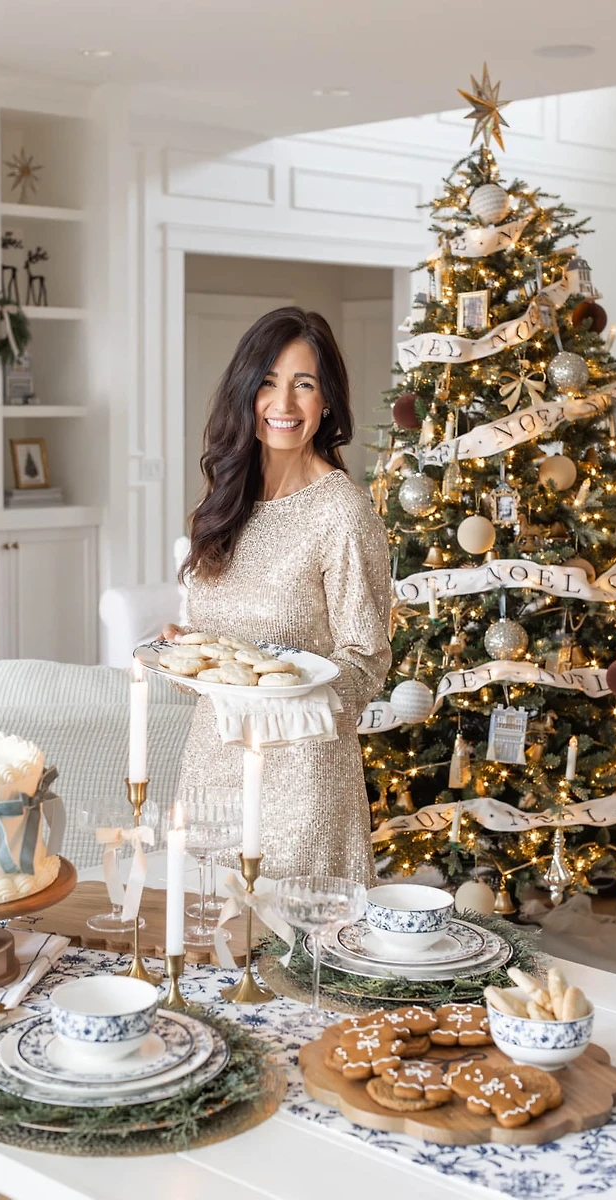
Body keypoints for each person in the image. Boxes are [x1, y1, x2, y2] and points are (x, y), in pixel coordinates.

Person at [164, 306, 391, 880]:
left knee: (296, 959)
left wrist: (283, 688)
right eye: (268, 382)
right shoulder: (222, 500)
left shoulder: (342, 511)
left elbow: (366, 663)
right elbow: (222, 639)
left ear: (327, 402)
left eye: (304, 384)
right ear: (246, 391)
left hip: (304, 776)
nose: (284, 404)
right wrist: (189, 648)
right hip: (214, 759)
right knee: (205, 953)